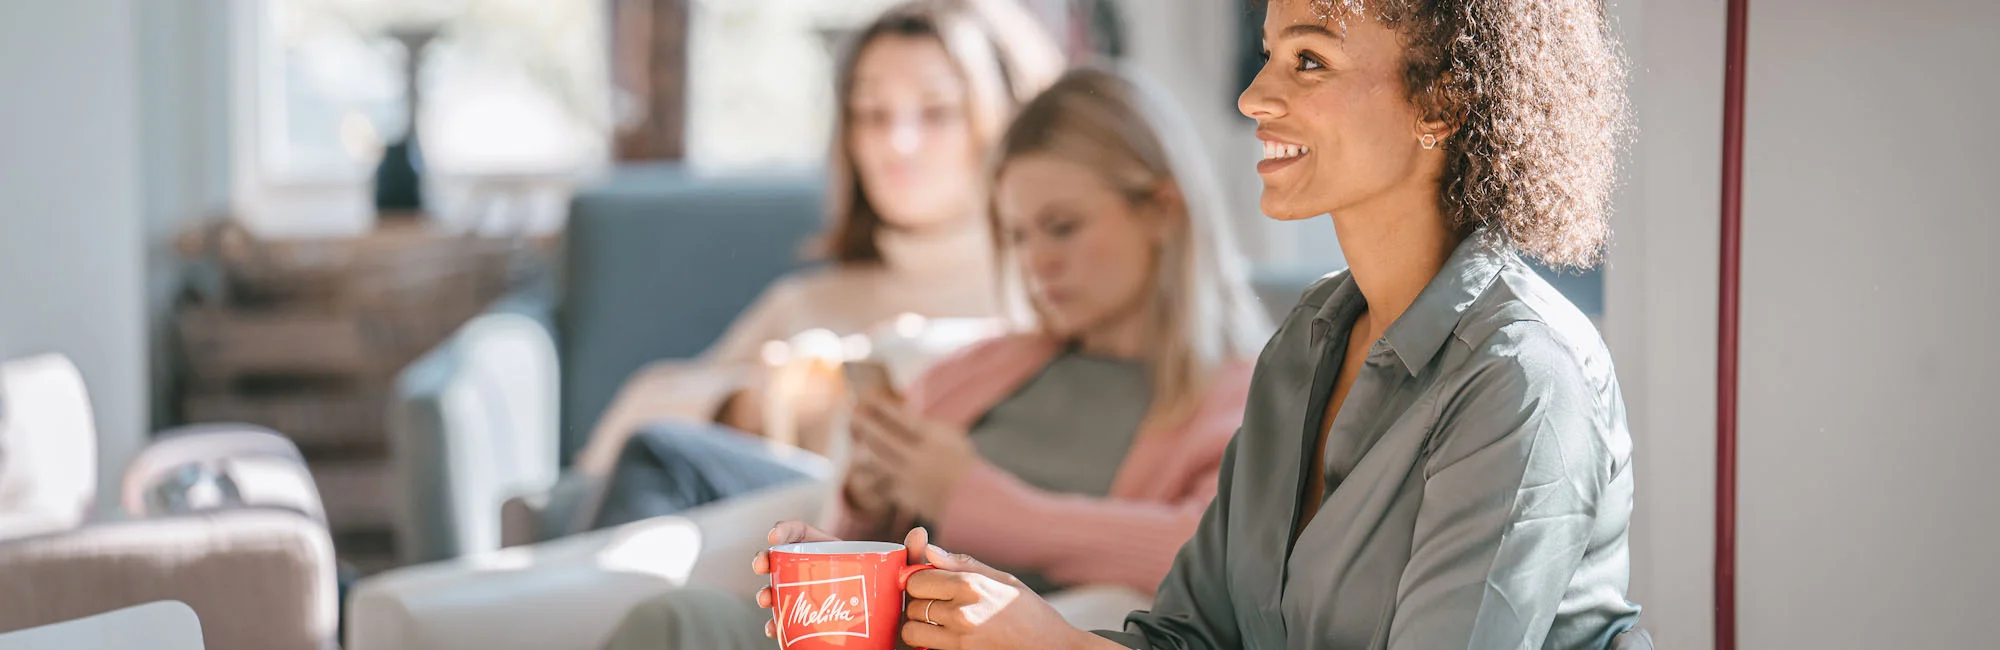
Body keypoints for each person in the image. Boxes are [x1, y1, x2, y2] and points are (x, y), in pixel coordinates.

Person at [755, 0, 1648, 648]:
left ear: (1442, 102)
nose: (1254, 95)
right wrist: (983, 611)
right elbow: (1184, 637)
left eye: (1308, 60)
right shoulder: (1306, 344)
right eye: (1265, 54)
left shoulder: (1524, 379)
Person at [599, 66, 1273, 650]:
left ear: (1162, 209)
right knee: (677, 617)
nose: (1037, 262)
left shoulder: (1243, 397)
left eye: (1062, 227)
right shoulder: (977, 371)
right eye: (1018, 235)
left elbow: (1200, 557)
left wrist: (964, 494)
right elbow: (887, 551)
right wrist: (860, 515)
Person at [570, 0, 1066, 530]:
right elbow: (613, 445)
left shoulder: (1048, 294)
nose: (894, 143)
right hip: (765, 558)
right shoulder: (807, 302)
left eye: (937, 111)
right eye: (870, 113)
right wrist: (749, 404)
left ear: (1015, 122)